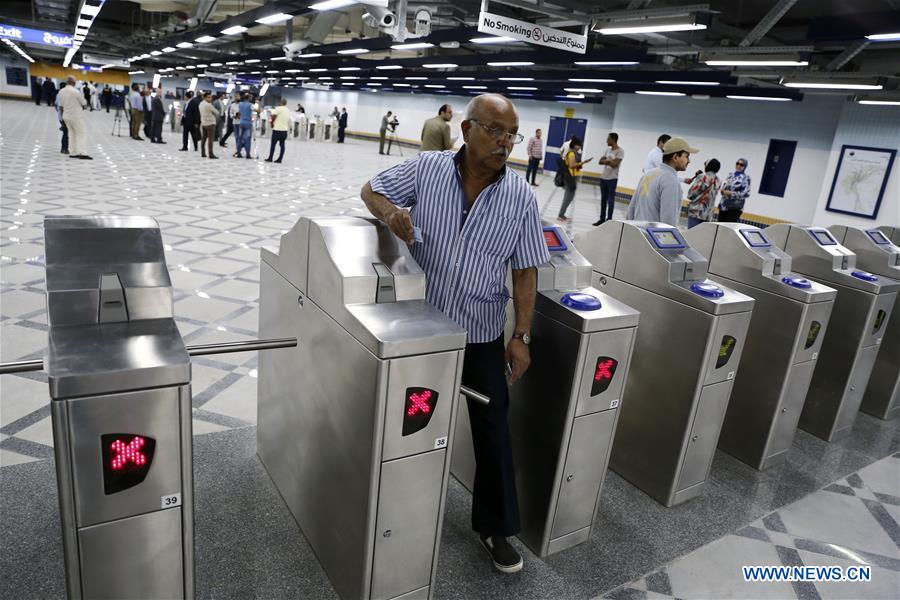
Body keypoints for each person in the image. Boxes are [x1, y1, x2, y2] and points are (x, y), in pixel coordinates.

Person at [361, 93, 548, 575]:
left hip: (481, 332)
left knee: (492, 429)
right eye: (495, 131)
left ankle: (496, 527)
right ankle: (388, 509)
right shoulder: (426, 171)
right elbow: (371, 189)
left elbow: (525, 271)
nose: (505, 143)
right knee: (404, 421)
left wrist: (521, 336)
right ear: (467, 130)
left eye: (512, 135)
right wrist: (390, 215)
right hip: (420, 329)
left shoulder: (521, 197)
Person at [627, 137, 698, 226]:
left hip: (637, 233)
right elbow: (668, 221)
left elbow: (631, 210)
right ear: (675, 157)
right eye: (687, 156)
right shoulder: (671, 180)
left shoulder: (648, 175)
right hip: (653, 237)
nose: (689, 161)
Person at [557, 138, 592, 223]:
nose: (579, 146)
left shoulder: (573, 152)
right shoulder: (572, 153)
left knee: (569, 196)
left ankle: (562, 214)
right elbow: (572, 165)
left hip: (572, 176)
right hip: (570, 177)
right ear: (574, 145)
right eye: (578, 145)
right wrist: (582, 163)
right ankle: (560, 215)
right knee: (568, 197)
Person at [594, 132, 625, 226]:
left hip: (612, 179)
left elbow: (615, 165)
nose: (606, 141)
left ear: (613, 139)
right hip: (603, 178)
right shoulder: (607, 150)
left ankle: (609, 219)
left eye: (608, 139)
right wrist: (609, 161)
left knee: (610, 200)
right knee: (603, 199)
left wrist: (606, 161)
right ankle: (601, 219)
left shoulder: (620, 151)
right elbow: (600, 161)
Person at [58, 76, 92, 160]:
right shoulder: (76, 92)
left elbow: (61, 106)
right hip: (76, 116)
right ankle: (83, 153)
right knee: (81, 134)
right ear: (73, 82)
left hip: (66, 116)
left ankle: (73, 152)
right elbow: (84, 103)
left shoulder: (61, 91)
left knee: (71, 134)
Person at [686, 159, 722, 228]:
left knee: (691, 236)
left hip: (696, 212)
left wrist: (697, 178)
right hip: (708, 214)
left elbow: (691, 194)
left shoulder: (703, 177)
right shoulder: (718, 180)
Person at [265, 98, 290, 163]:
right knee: (282, 145)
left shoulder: (278, 108)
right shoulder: (288, 110)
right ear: (286, 103)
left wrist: (271, 123)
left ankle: (270, 158)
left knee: (273, 144)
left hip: (277, 130)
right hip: (284, 131)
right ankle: (280, 159)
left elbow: (273, 116)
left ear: (280, 103)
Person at [198, 92, 220, 159]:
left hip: (204, 123)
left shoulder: (201, 104)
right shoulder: (208, 105)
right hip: (210, 124)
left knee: (203, 139)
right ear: (204, 97)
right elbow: (217, 112)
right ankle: (211, 154)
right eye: (208, 97)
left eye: (210, 97)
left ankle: (203, 153)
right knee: (210, 140)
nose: (210, 98)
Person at [234, 92, 255, 159]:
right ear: (248, 98)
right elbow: (257, 110)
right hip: (248, 124)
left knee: (240, 138)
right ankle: (248, 154)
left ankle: (239, 153)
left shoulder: (240, 104)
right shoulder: (250, 105)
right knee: (248, 139)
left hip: (241, 123)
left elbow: (239, 113)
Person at [54, 82, 69, 154]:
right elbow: (61, 106)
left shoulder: (58, 94)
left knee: (65, 133)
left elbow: (56, 105)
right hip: (64, 116)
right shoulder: (62, 95)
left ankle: (63, 148)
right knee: (66, 133)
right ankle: (65, 149)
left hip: (60, 116)